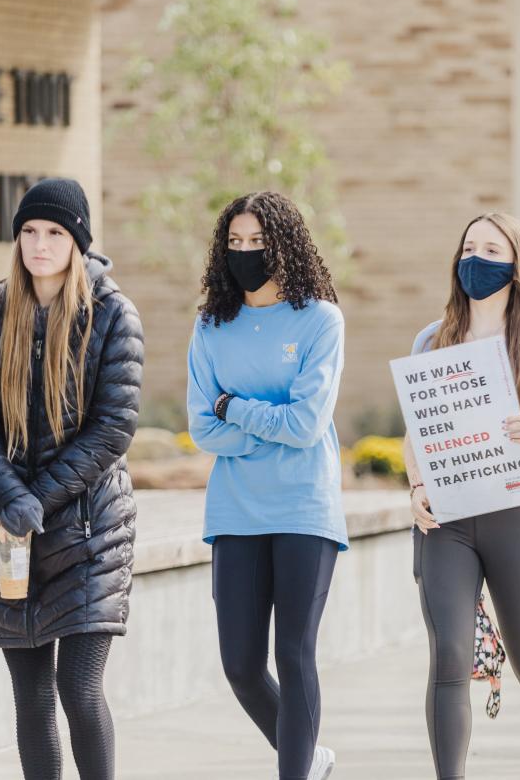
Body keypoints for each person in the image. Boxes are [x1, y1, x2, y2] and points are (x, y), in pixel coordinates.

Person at [0, 178, 144, 780]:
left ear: (78, 242)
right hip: (14, 538)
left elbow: (113, 428)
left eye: (55, 233)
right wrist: (9, 500)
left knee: (78, 686)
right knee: (31, 695)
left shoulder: (112, 312)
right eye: (29, 232)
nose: (40, 245)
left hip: (91, 531)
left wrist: (33, 500)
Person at [405, 213, 520, 780]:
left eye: (492, 249)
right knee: (450, 658)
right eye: (468, 248)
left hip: (516, 511)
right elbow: (416, 434)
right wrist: (415, 486)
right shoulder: (432, 339)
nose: (476, 260)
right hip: (447, 518)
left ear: (516, 265)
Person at [187, 192, 346, 780]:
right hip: (235, 512)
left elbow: (308, 425)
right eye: (235, 243)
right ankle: (311, 757)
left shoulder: (320, 320)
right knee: (241, 667)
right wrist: (263, 424)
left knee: (295, 654)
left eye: (258, 242)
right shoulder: (211, 324)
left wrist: (236, 408)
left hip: (305, 508)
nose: (247, 253)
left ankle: (296, 771)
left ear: (286, 245)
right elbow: (202, 425)